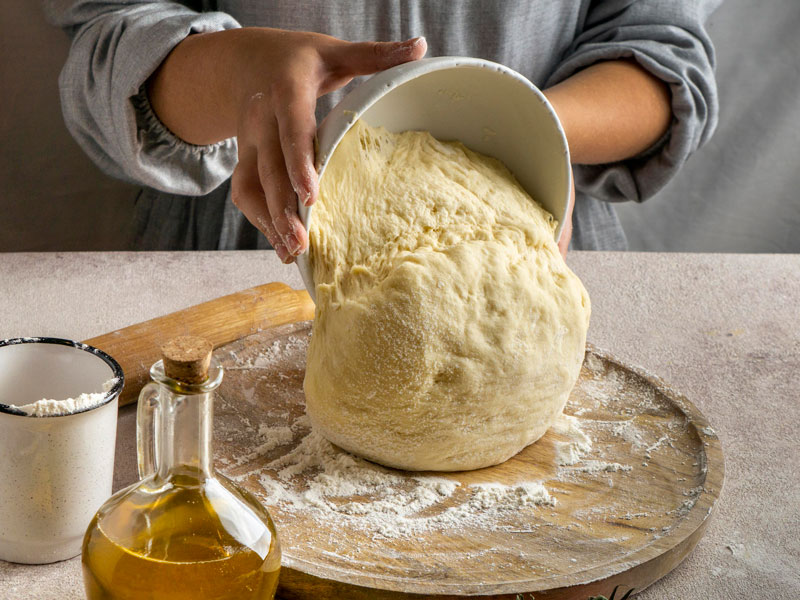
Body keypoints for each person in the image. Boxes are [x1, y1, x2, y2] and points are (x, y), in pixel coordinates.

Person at [44, 1, 719, 259]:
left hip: (532, 232)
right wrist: (237, 73)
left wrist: (523, 131)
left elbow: (661, 50)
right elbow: (106, 51)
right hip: (247, 244)